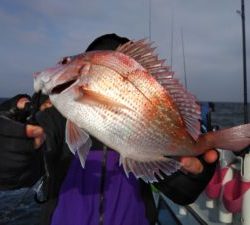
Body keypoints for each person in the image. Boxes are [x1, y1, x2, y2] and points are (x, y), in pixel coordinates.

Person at [0, 33, 218, 225]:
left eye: (65, 61)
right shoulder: (55, 118)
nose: (60, 64)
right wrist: (11, 150)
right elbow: (23, 166)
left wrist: (188, 178)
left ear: (85, 68)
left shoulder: (145, 127)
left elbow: (182, 192)